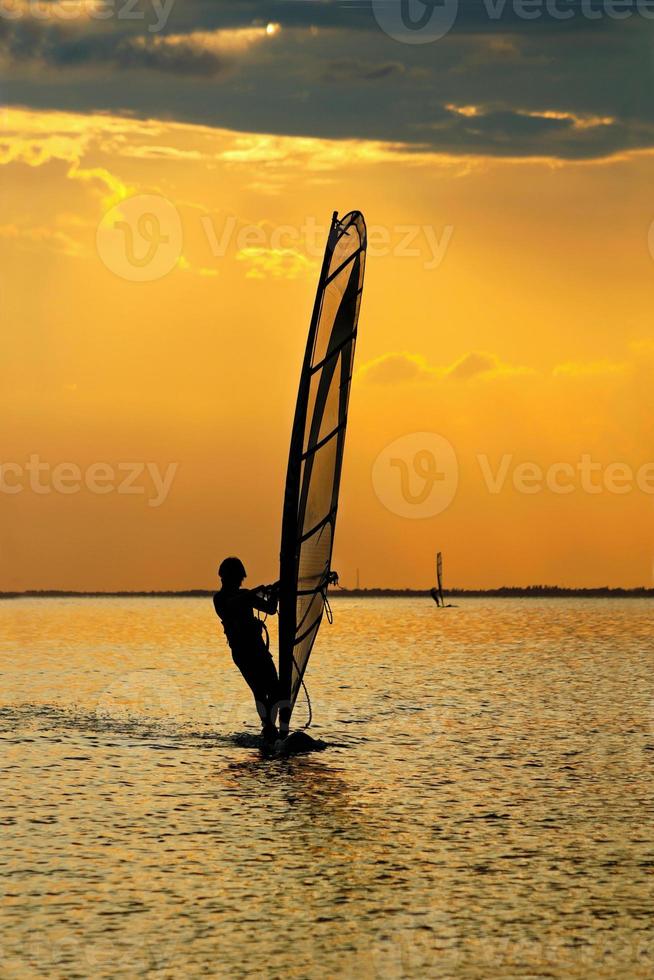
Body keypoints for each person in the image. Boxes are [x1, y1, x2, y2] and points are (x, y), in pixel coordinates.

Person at [213, 556, 281, 741]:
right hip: (243, 653)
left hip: (258, 648)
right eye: (234, 579)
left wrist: (274, 592)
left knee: (275, 688)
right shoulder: (219, 598)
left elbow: (270, 609)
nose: (237, 583)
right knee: (259, 690)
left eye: (239, 580)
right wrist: (255, 591)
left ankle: (270, 727)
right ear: (224, 577)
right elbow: (233, 604)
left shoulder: (245, 594)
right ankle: (268, 726)